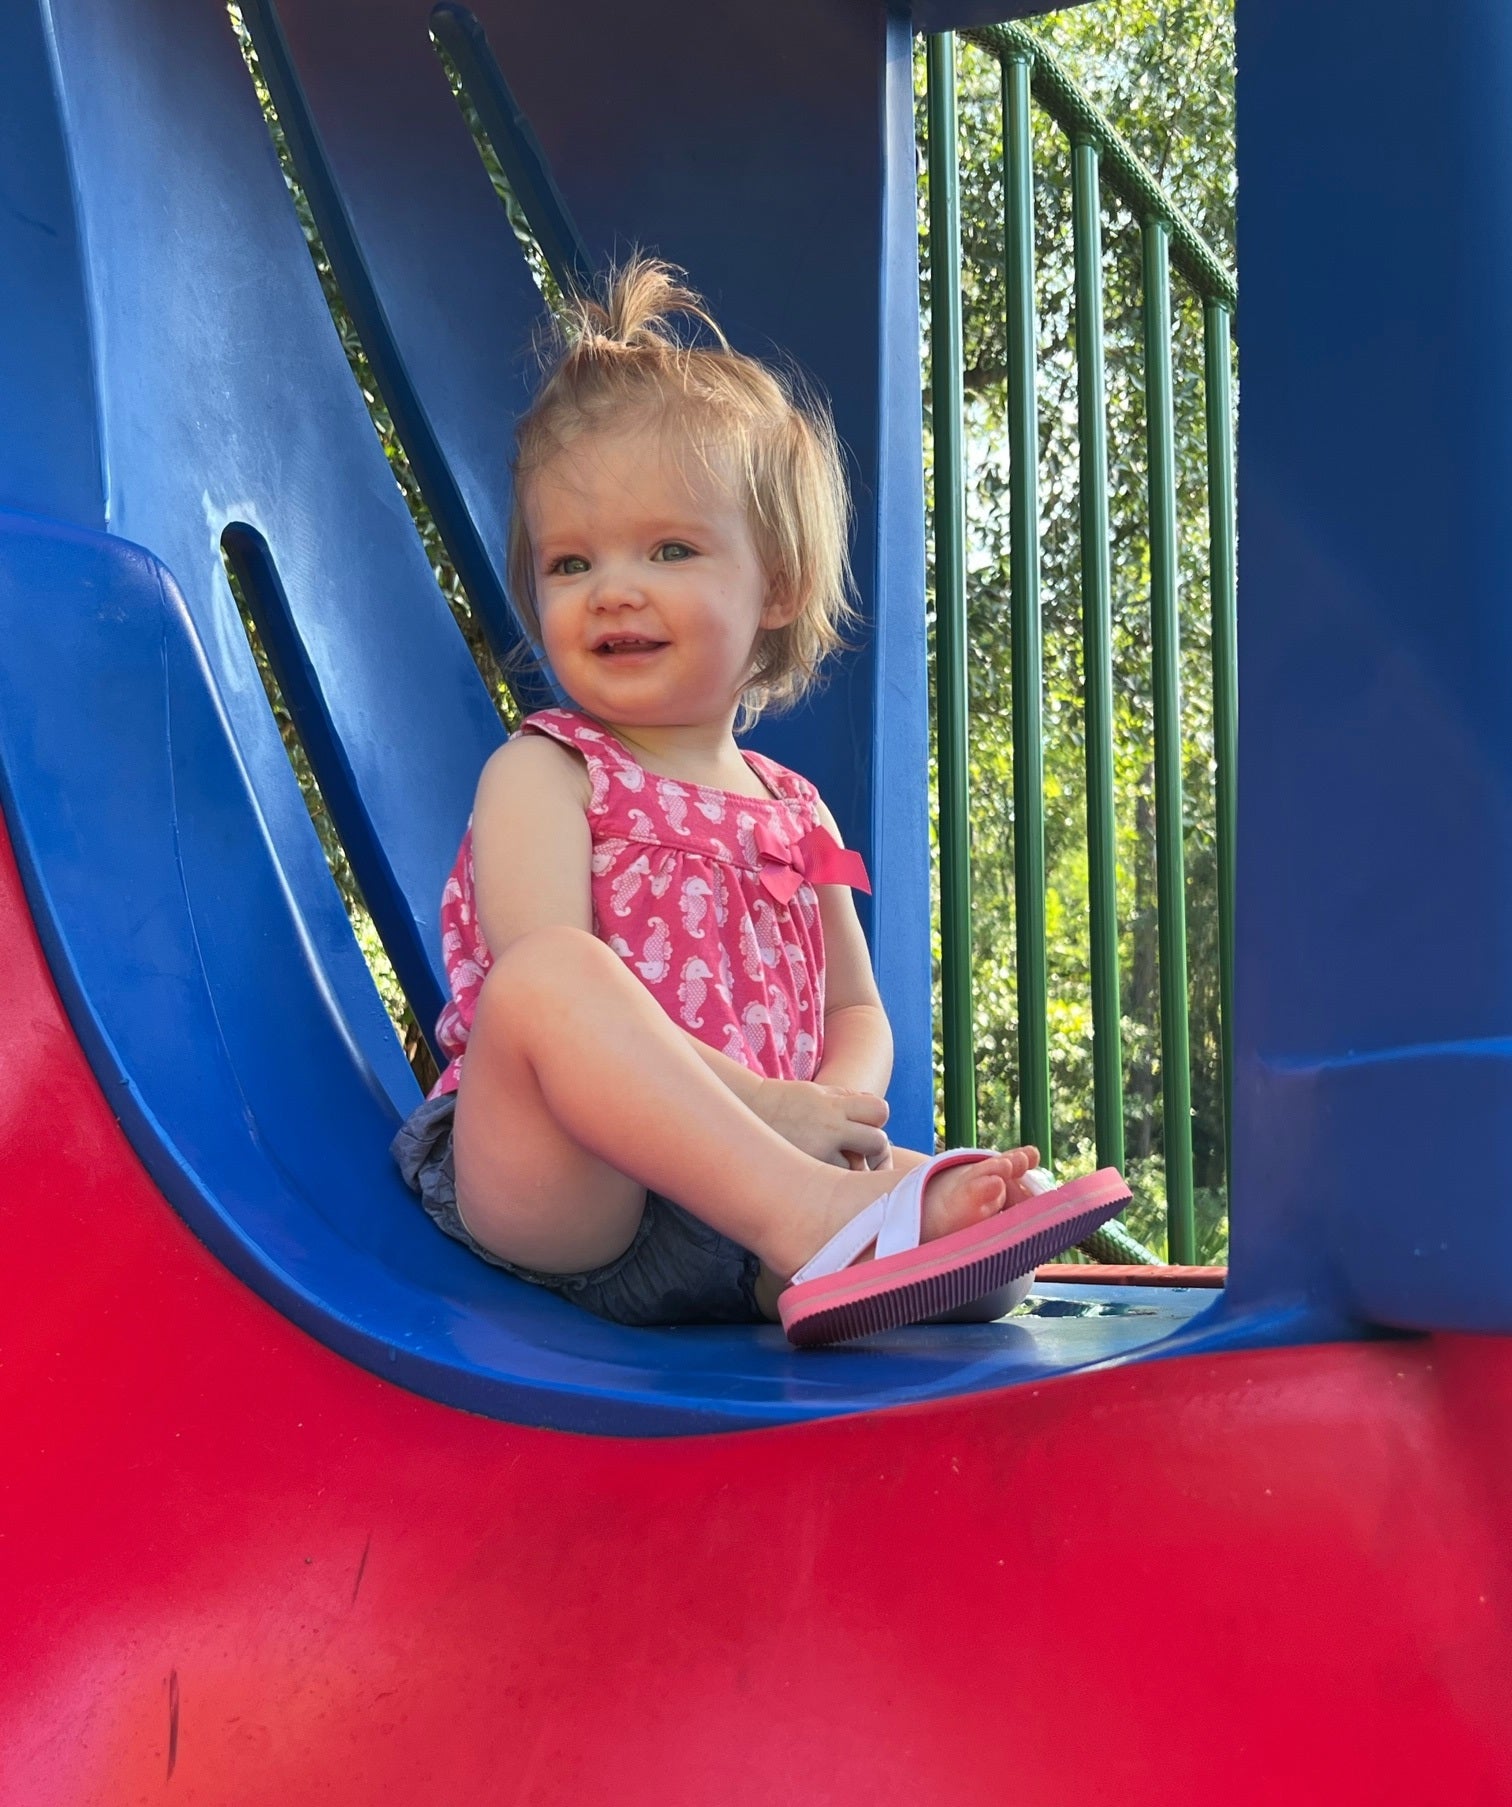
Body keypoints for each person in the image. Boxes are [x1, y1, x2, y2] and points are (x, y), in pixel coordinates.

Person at [393, 257, 1125, 1344]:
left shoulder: (797, 811)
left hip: (738, 1204)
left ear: (775, 585)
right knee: (543, 978)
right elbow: (543, 994)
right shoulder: (546, 771)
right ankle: (822, 1223)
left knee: (951, 1196)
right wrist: (765, 1114)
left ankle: (843, 1249)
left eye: (670, 548)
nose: (614, 588)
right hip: (570, 1193)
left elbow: (854, 1011)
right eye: (570, 562)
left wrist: (834, 1110)